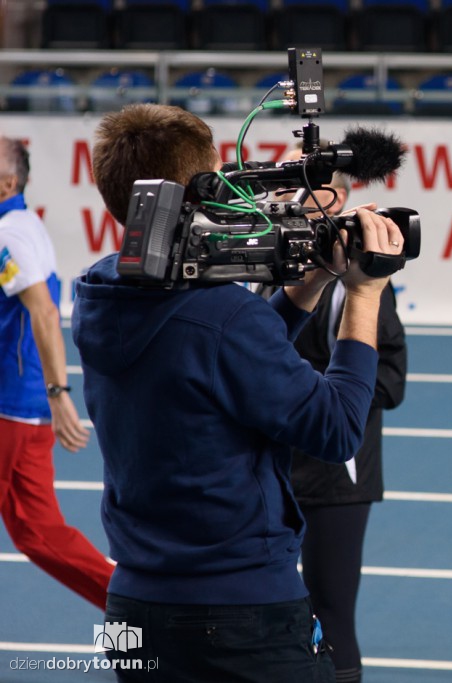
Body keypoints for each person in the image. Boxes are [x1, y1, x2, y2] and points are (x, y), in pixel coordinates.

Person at [71, 103, 404, 682]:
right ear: (198, 191)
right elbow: (338, 428)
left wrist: (314, 280)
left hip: (134, 602)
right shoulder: (219, 313)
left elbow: (221, 352)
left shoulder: (100, 291)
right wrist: (365, 294)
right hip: (239, 613)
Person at [258, 155, 408, 683]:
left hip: (338, 470)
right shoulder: (272, 262)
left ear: (338, 200)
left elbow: (391, 379)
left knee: (331, 610)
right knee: (270, 608)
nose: (294, 201)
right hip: (272, 463)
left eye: (308, 191)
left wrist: (321, 397)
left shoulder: (360, 283)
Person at [0, 136, 113, 611]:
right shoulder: (20, 224)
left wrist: (58, 391)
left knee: (39, 534)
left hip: (11, 409)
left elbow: (45, 313)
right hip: (19, 411)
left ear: (7, 181)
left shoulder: (11, 233)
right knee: (39, 535)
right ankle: (139, 604)